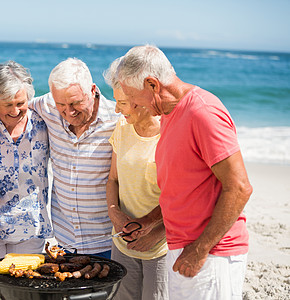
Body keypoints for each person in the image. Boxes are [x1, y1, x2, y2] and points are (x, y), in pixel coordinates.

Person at [116, 45, 253, 299]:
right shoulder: (168, 114)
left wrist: (200, 249)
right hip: (180, 249)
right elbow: (182, 189)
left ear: (152, 85)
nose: (133, 105)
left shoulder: (203, 112)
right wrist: (150, 220)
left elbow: (240, 187)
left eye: (133, 97)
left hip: (210, 255)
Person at [29, 58, 118, 258]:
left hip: (108, 241)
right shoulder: (47, 107)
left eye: (76, 103)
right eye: (61, 104)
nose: (69, 112)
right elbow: (11, 107)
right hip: (64, 241)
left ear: (93, 90)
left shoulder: (118, 118)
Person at [0, 61, 53, 258]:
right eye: (7, 105)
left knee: (25, 287)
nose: (15, 111)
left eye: (20, 103)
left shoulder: (43, 123)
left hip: (31, 228)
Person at [104, 58, 168, 299]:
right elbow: (113, 179)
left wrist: (156, 233)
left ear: (141, 100)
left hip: (161, 245)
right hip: (123, 242)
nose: (117, 109)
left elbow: (181, 196)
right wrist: (114, 212)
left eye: (122, 103)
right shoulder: (122, 127)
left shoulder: (168, 134)